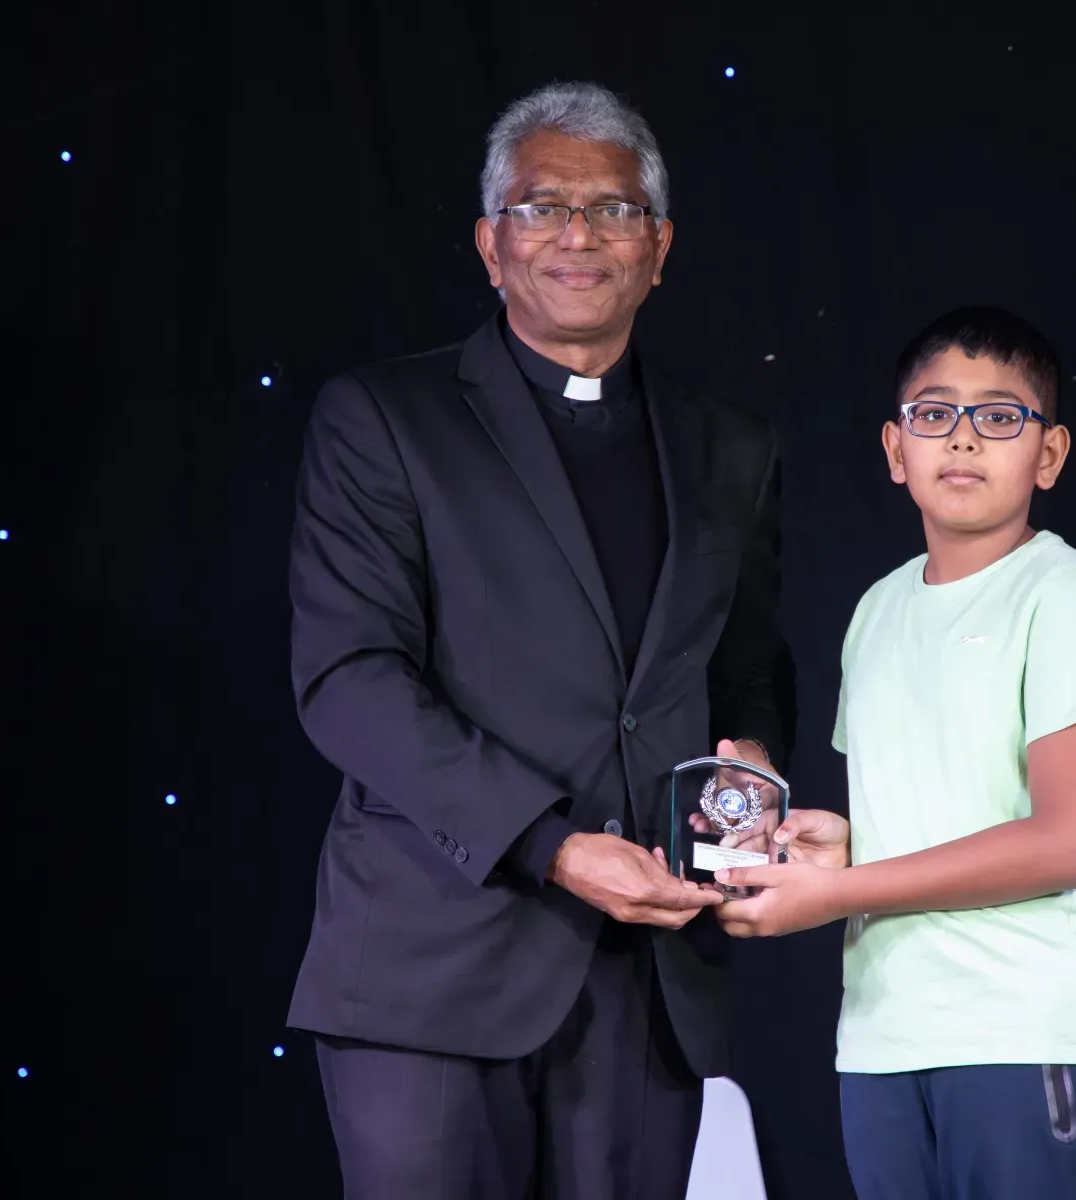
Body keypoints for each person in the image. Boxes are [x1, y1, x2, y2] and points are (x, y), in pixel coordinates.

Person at [286, 81, 787, 1200]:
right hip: (433, 966)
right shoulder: (385, 418)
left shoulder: (731, 445)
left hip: (647, 978)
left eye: (612, 209)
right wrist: (553, 846)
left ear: (658, 248)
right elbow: (351, 682)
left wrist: (748, 765)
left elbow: (747, 665)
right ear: (490, 244)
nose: (577, 235)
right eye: (542, 206)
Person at [714, 307, 1076, 1200]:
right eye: (935, 413)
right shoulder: (877, 609)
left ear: (1050, 454)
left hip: (1025, 1031)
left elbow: (1071, 842)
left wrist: (838, 892)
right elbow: (926, 816)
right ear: (895, 448)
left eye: (1000, 416)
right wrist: (837, 851)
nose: (964, 438)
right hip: (884, 1038)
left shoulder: (1065, 593)